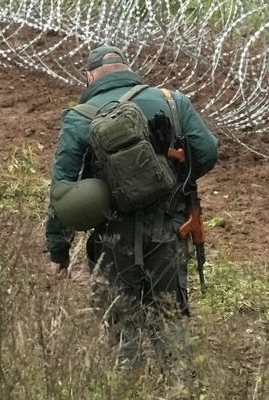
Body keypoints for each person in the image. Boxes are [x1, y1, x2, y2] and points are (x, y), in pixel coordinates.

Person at [45, 45, 218, 376]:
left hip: (112, 237)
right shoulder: (172, 101)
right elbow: (207, 152)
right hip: (169, 228)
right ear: (128, 69)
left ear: (90, 76)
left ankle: (129, 387)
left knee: (122, 324)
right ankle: (182, 387)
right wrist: (174, 178)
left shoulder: (80, 117)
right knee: (171, 318)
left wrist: (59, 251)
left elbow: (62, 191)